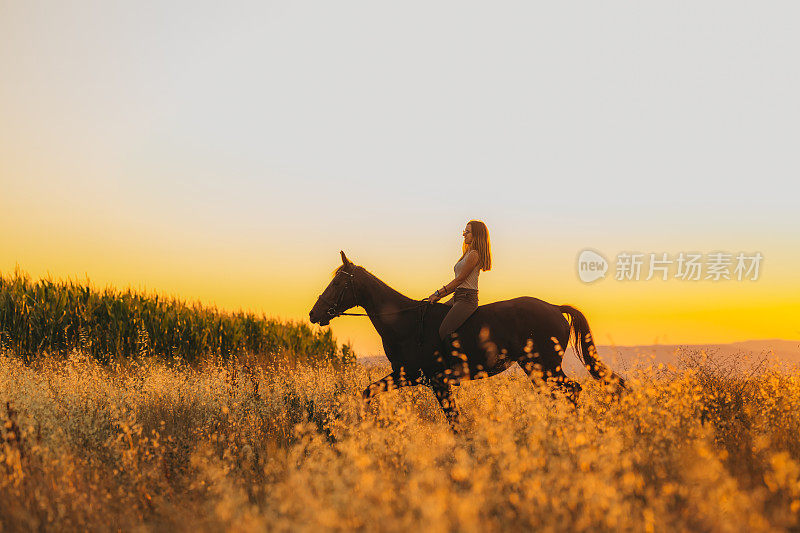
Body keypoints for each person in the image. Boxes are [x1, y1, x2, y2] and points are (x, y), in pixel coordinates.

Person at [427, 220, 492, 345]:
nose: (464, 234)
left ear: (476, 235)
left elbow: (460, 280)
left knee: (444, 331)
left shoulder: (474, 254)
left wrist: (437, 293)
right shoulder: (467, 253)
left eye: (467, 232)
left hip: (467, 300)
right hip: (457, 297)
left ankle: (457, 363)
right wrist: (439, 296)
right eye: (464, 231)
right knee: (434, 317)